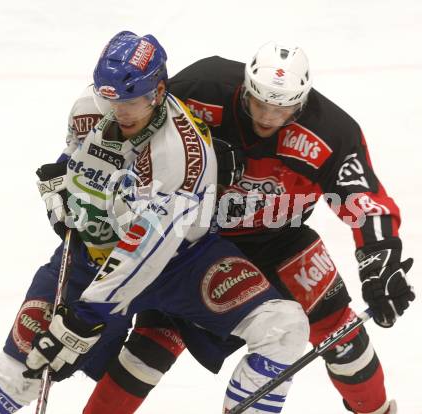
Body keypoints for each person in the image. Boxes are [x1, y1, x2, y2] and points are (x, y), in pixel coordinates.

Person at [0, 32, 310, 414]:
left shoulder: (181, 155)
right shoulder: (89, 108)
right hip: (92, 254)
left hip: (181, 264)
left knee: (283, 327)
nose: (120, 111)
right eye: (112, 99)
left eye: (132, 101)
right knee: (15, 380)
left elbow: (145, 250)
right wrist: (62, 193)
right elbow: (74, 156)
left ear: (157, 91)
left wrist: (85, 318)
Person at [84, 42, 415, 414]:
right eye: (260, 103)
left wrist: (380, 263)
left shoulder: (331, 132)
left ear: (303, 100)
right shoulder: (202, 86)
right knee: (153, 341)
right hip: (200, 240)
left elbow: (364, 200)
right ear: (245, 86)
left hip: (281, 239)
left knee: (343, 334)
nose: (269, 117)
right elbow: (138, 121)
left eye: (283, 107)